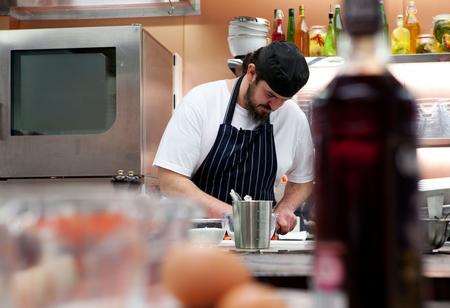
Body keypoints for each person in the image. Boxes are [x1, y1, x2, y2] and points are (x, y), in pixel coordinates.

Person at [153, 41, 313, 234]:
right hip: (197, 242)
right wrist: (237, 217)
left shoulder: (293, 117)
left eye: (283, 100)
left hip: (258, 242)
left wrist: (285, 208)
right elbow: (171, 181)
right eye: (270, 94)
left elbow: (303, 180)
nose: (275, 106)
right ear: (252, 72)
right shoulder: (201, 102)